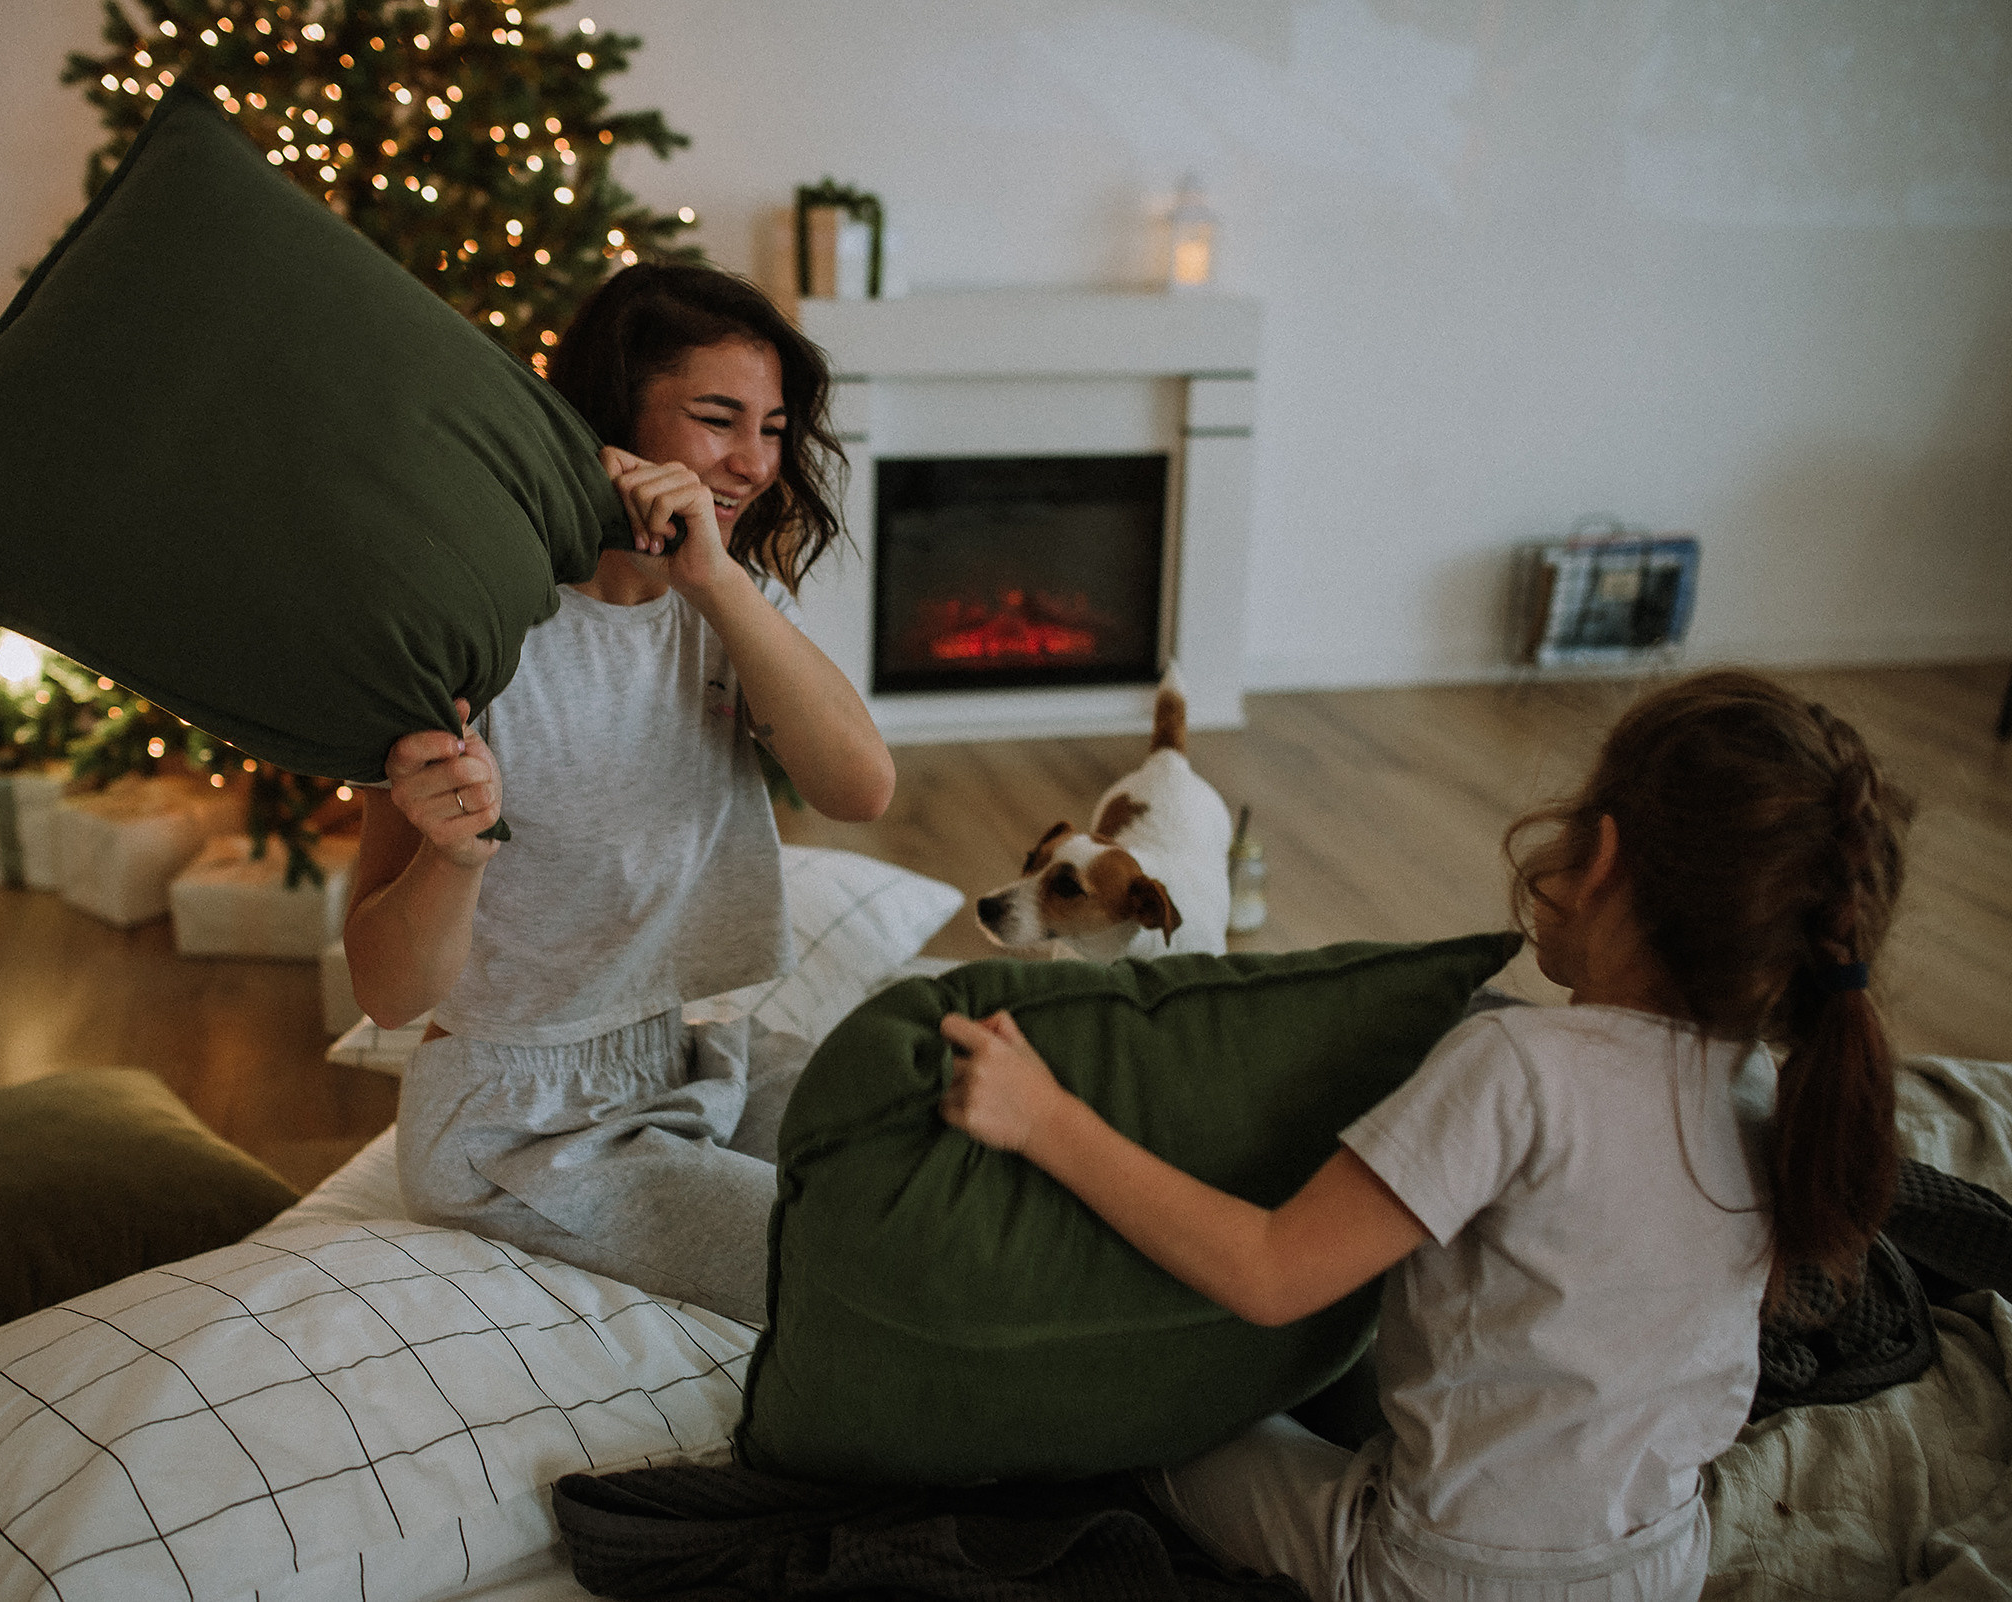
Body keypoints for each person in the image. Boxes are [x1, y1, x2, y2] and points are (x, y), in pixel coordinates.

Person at [937, 670, 1912, 1601]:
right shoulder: (1757, 1081)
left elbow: (1270, 1274)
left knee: (1155, 1416)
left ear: (1602, 856)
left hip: (1434, 1578)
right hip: (1660, 1569)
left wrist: (1045, 1117)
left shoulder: (1516, 1066)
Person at [344, 263, 894, 1325]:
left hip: (686, 1056)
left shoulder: (727, 606)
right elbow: (388, 991)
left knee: (942, 1139)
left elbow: (859, 788)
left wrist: (723, 585)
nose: (753, 461)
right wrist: (454, 853)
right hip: (517, 1124)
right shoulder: (476, 640)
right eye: (718, 419)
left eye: (774, 428)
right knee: (860, 1273)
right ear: (614, 416)